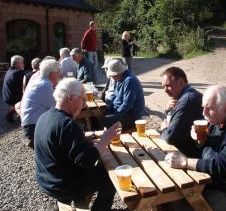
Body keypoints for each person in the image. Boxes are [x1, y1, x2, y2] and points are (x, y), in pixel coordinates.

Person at [165, 85, 226, 211]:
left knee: (179, 205)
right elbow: (211, 153)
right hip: (217, 181)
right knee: (171, 196)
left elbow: (221, 167)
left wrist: (185, 162)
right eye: (203, 107)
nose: (203, 113)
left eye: (209, 108)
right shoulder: (218, 119)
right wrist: (202, 141)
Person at [35, 78, 121, 211]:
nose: (85, 104)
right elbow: (87, 159)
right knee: (111, 175)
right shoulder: (67, 124)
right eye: (83, 99)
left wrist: (92, 134)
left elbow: (61, 141)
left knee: (101, 168)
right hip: (62, 185)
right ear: (70, 98)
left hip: (47, 180)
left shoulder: (46, 116)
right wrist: (106, 138)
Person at [160, 67, 203, 157]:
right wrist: (167, 110)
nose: (165, 90)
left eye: (168, 85)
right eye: (163, 86)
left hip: (193, 154)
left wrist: (164, 129)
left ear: (181, 82)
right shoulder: (186, 95)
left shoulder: (186, 101)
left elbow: (170, 138)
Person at [21, 59, 60, 148]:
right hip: (33, 129)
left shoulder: (40, 81)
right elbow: (58, 107)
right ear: (51, 73)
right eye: (58, 71)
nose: (60, 74)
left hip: (32, 125)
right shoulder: (44, 86)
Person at [104, 59, 144, 130]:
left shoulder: (130, 81)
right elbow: (115, 96)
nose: (112, 77)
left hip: (131, 116)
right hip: (122, 112)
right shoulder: (119, 79)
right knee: (99, 116)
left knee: (105, 122)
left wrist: (115, 116)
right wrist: (107, 109)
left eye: (113, 75)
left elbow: (127, 104)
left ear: (119, 73)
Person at [2, 55, 25, 122]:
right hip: (12, 97)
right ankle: (23, 118)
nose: (23, 64)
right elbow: (25, 85)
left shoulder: (10, 70)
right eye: (22, 62)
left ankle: (10, 115)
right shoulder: (18, 73)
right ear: (17, 64)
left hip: (7, 95)